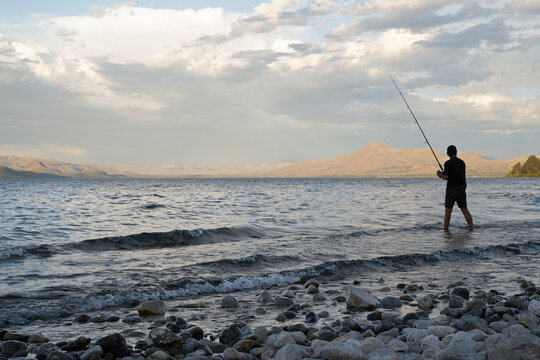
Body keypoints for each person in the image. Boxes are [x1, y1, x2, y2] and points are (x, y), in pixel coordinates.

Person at [436, 145, 474, 231]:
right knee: (464, 209)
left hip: (452, 189)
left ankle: (445, 230)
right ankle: (472, 228)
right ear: (456, 152)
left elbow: (446, 177)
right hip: (462, 188)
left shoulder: (448, 163)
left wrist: (439, 174)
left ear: (447, 153)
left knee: (448, 210)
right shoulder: (462, 162)